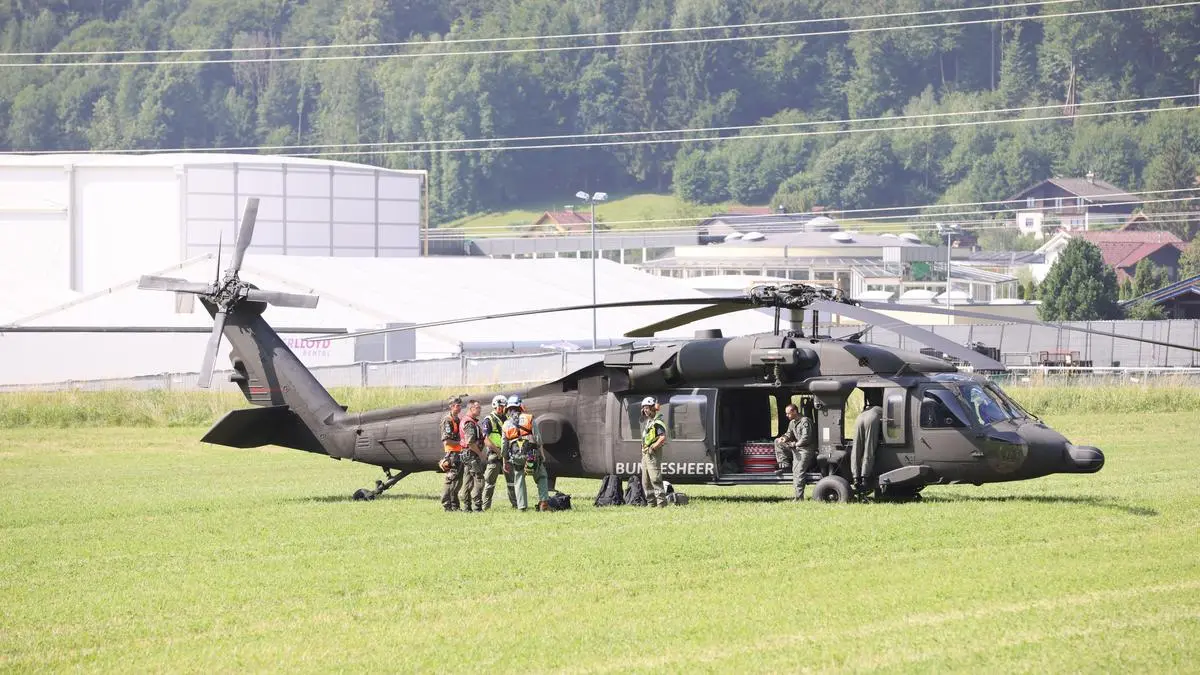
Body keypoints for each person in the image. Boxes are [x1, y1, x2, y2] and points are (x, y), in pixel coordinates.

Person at [502, 394, 550, 512]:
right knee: (541, 476)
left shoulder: (505, 424)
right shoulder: (529, 418)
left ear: (508, 409)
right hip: (531, 455)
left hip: (516, 456)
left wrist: (505, 461)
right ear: (520, 406)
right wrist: (542, 454)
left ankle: (522, 507)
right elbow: (538, 439)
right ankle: (544, 503)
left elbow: (504, 446)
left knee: (519, 479)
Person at [480, 395, 517, 510]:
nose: (502, 408)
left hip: (507, 454)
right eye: (500, 406)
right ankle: (485, 507)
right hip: (494, 455)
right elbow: (486, 439)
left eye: (503, 406)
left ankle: (516, 505)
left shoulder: (507, 418)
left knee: (511, 482)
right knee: (490, 483)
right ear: (495, 405)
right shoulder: (489, 420)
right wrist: (498, 451)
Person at [773, 401, 815, 500]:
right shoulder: (792, 422)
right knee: (777, 441)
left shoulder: (805, 421)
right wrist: (784, 438)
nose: (787, 415)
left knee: (798, 472)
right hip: (796, 448)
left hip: (805, 450)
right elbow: (789, 433)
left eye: (788, 413)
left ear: (795, 411)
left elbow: (806, 438)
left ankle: (798, 498)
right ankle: (785, 465)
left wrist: (795, 444)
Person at [851, 394, 883, 495]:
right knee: (869, 447)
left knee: (856, 448)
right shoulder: (882, 409)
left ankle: (855, 477)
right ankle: (865, 477)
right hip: (874, 415)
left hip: (861, 416)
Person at [639, 396, 669, 508]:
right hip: (645, 454)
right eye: (644, 408)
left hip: (652, 454)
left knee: (655, 479)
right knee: (645, 481)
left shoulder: (657, 422)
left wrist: (653, 448)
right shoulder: (649, 422)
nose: (645, 410)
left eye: (647, 408)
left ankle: (661, 504)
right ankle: (651, 503)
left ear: (652, 408)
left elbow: (662, 438)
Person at [458, 399, 485, 512]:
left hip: (467, 455)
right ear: (471, 408)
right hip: (472, 455)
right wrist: (480, 453)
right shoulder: (469, 423)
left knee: (467, 481)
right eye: (477, 408)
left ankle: (467, 507)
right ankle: (477, 507)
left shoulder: (467, 421)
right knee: (479, 480)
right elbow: (470, 442)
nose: (480, 410)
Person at [439, 395, 465, 511]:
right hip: (452, 454)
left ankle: (455, 505)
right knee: (450, 480)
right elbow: (446, 441)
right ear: (451, 406)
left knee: (458, 482)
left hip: (459, 453)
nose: (459, 408)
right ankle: (446, 505)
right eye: (457, 406)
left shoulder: (458, 420)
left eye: (460, 405)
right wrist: (462, 442)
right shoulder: (447, 420)